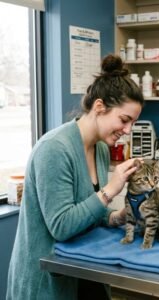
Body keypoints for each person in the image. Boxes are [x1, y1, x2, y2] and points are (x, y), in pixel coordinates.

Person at [6, 54, 144, 300]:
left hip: (84, 271)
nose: (127, 130)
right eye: (124, 120)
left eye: (132, 122)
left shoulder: (100, 149)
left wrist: (116, 217)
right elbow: (62, 226)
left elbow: (90, 213)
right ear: (99, 107)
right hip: (47, 280)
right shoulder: (54, 149)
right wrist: (110, 189)